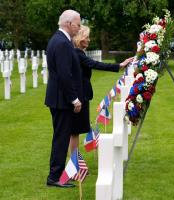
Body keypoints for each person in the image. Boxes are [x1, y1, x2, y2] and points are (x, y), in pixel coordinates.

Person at [69, 25, 133, 152]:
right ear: (80, 39)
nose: (89, 40)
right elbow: (95, 64)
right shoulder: (78, 54)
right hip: (79, 95)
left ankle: (72, 163)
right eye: (87, 37)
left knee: (74, 130)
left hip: (81, 93)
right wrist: (119, 65)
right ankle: (74, 165)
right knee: (74, 131)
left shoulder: (78, 53)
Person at [45, 10, 82, 188]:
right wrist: (74, 99)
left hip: (58, 97)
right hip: (61, 99)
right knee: (61, 137)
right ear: (68, 23)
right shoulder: (62, 43)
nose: (79, 27)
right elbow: (64, 74)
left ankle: (56, 174)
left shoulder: (58, 40)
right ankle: (54, 176)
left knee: (61, 136)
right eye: (78, 24)